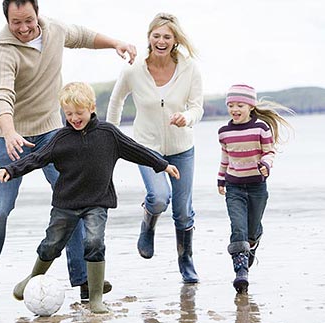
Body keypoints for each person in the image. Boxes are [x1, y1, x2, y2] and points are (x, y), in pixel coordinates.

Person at [0, 0, 138, 299]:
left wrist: (116, 43)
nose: (23, 28)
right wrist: (9, 133)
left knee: (73, 200)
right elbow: (1, 97)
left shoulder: (54, 30)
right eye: (15, 22)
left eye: (28, 20)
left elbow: (83, 36)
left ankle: (85, 279)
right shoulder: (3, 52)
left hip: (51, 132)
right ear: (6, 19)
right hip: (10, 135)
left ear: (37, 13)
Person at [0, 82, 180, 313]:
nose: (74, 118)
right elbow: (37, 158)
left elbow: (136, 150)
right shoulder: (60, 138)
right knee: (52, 244)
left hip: (97, 202)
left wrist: (162, 165)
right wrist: (10, 169)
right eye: (69, 113)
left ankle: (95, 299)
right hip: (66, 204)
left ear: (92, 107)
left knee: (94, 242)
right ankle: (32, 277)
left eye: (79, 112)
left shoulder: (108, 134)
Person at [106, 12, 203, 283]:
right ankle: (148, 222)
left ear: (175, 41)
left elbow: (197, 106)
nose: (161, 41)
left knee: (183, 211)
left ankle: (186, 260)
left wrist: (188, 118)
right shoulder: (133, 70)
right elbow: (116, 103)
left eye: (167, 37)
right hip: (146, 148)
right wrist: (111, 136)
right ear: (149, 38)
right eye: (156, 35)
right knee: (159, 198)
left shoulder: (189, 68)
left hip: (182, 148)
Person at [217, 84, 293, 293]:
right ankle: (241, 272)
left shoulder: (261, 128)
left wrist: (265, 165)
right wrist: (221, 179)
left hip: (257, 186)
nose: (234, 109)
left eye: (239, 105)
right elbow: (225, 158)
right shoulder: (224, 132)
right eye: (231, 105)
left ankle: (254, 239)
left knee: (251, 230)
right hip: (234, 187)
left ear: (250, 106)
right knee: (238, 228)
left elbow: (269, 152)